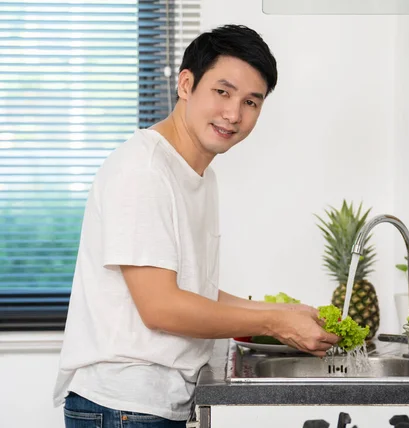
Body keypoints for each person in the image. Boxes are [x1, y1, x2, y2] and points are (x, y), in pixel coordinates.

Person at [53, 24, 340, 427]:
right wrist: (273, 321)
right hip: (123, 407)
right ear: (186, 84)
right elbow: (161, 306)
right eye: (222, 92)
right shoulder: (144, 170)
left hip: (148, 405)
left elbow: (191, 291)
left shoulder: (197, 173)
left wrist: (285, 312)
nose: (233, 114)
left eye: (251, 102)